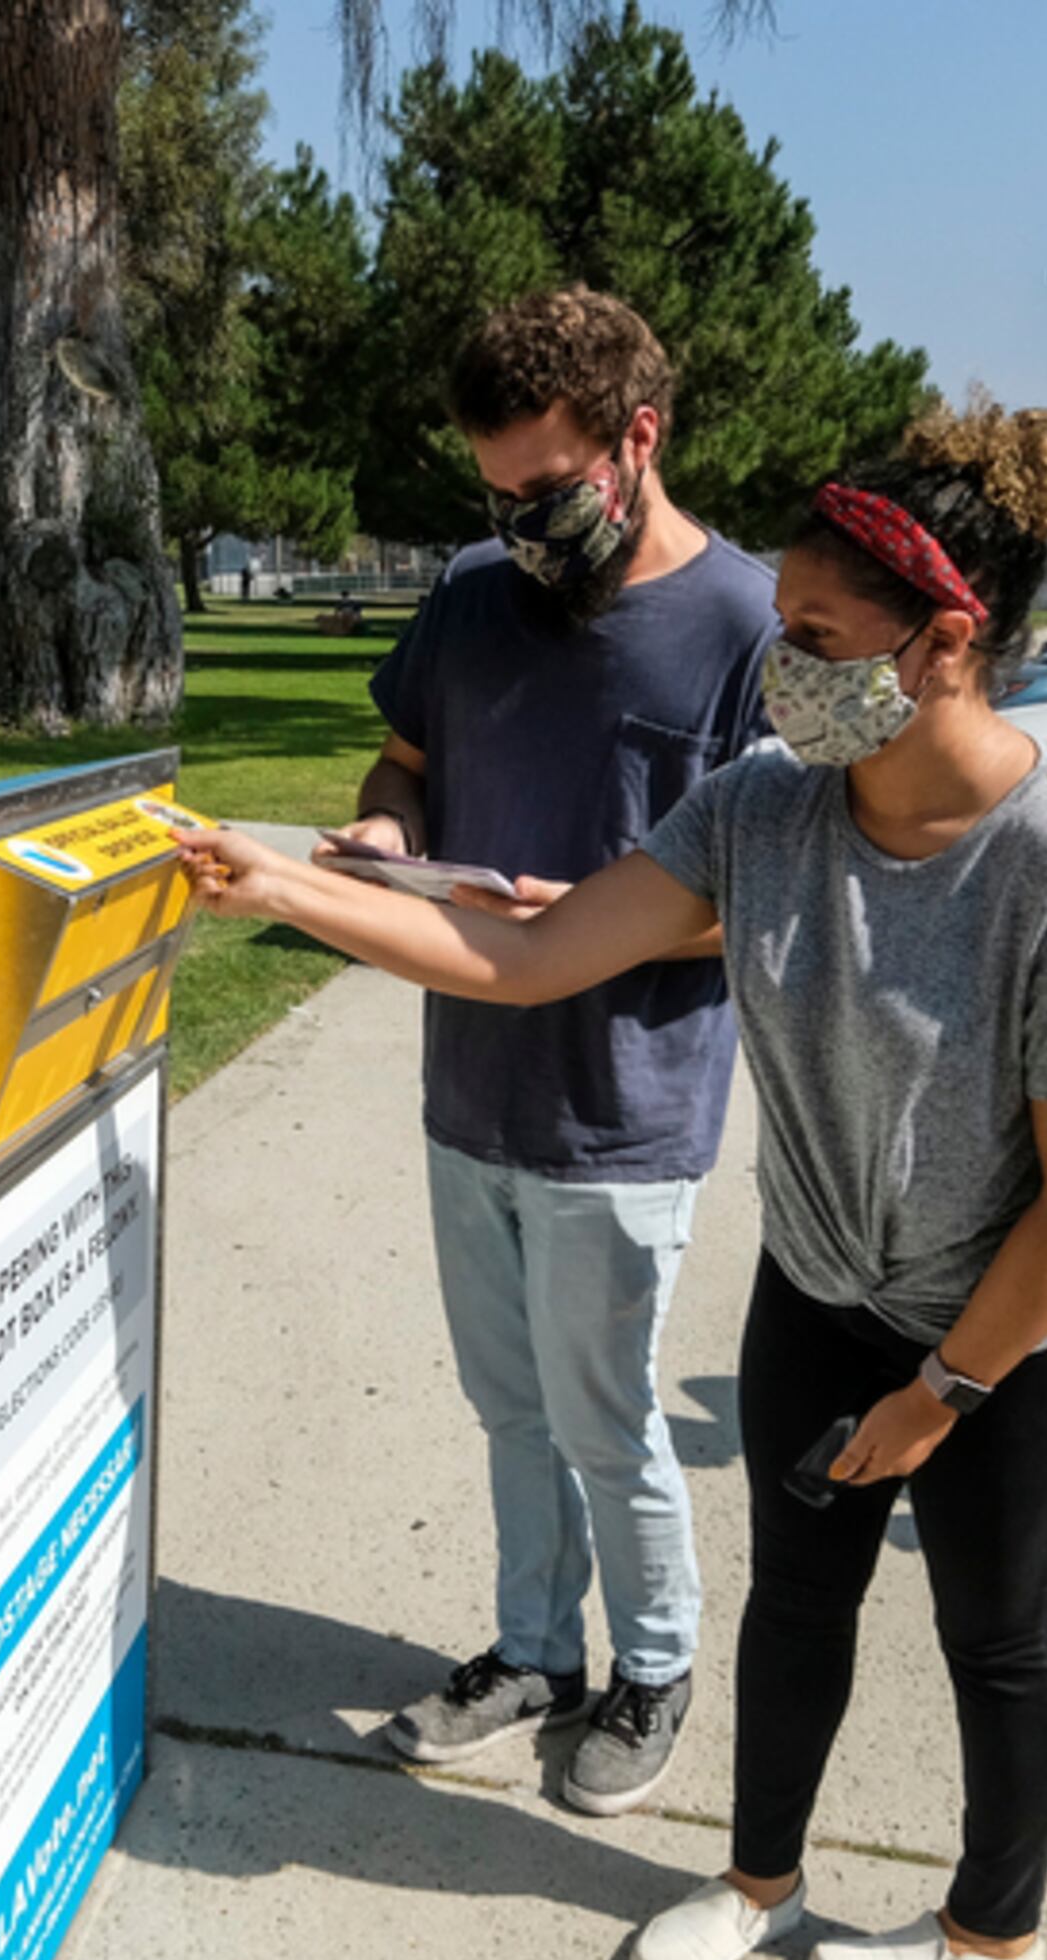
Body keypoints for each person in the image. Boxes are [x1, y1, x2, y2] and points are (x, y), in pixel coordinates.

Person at [182, 400, 1047, 1960]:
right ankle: (754, 1885)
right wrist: (286, 885)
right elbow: (529, 957)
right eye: (781, 628)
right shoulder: (763, 809)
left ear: (944, 641)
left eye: (815, 636)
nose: (780, 665)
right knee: (800, 1598)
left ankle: (996, 1940)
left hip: (1032, 1315)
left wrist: (942, 1395)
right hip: (829, 1281)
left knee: (997, 1631)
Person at [317, 288, 782, 1817]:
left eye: (545, 489)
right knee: (507, 1405)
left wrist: (605, 918)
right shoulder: (467, 593)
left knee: (607, 1416)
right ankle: (535, 1655)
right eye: (493, 492)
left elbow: (777, 896)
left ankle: (655, 1669)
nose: (517, 521)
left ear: (637, 439)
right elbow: (408, 756)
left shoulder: (749, 628)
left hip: (623, 1110)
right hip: (473, 1092)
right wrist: (389, 829)